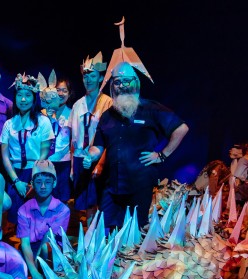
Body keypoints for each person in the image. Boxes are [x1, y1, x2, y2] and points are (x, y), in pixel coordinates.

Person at [88, 62, 189, 230]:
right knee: (106, 228)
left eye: (127, 81)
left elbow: (181, 128)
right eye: (118, 82)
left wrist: (162, 155)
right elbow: (98, 146)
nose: (122, 86)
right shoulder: (107, 116)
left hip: (139, 183)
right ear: (112, 86)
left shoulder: (150, 109)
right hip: (112, 185)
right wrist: (89, 154)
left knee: (135, 229)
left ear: (135, 82)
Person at [0, 73, 54, 224]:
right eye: (19, 95)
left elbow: (45, 152)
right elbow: (5, 155)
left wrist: (33, 178)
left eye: (27, 95)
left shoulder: (43, 122)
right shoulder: (9, 124)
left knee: (36, 218)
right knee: (17, 219)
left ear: (34, 97)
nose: (23, 99)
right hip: (15, 173)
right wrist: (16, 181)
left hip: (36, 172)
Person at [69, 52, 112, 219]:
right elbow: (74, 138)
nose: (88, 80)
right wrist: (73, 165)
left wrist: (100, 164)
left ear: (100, 78)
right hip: (81, 158)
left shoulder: (107, 102)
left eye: (92, 76)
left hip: (99, 158)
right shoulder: (77, 105)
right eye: (85, 76)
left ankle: (102, 237)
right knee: (86, 202)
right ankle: (90, 237)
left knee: (100, 200)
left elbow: (109, 138)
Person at [17, 160, 70, 279]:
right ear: (32, 184)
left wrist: (37, 266)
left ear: (54, 183)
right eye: (38, 182)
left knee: (47, 248)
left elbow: (48, 241)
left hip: (52, 250)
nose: (43, 186)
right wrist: (34, 272)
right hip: (30, 249)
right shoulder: (23, 210)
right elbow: (25, 243)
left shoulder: (63, 210)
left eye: (47, 182)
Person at [40, 73, 73, 202]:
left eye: (64, 90)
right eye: (58, 90)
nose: (60, 93)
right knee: (45, 195)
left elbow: (74, 141)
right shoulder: (42, 113)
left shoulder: (72, 112)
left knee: (62, 197)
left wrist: (72, 167)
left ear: (69, 94)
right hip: (45, 161)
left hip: (64, 162)